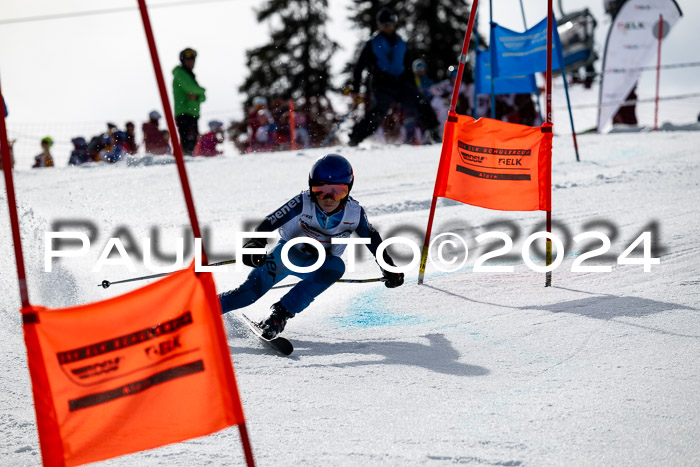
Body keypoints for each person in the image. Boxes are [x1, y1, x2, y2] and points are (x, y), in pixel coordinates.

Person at [218, 154, 404, 339]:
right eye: (320, 190)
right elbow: (269, 222)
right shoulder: (302, 202)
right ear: (310, 187)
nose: (328, 198)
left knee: (336, 267)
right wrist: (255, 243)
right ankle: (202, 308)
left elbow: (372, 238)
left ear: (349, 189)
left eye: (338, 191)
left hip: (318, 266)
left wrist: (387, 266)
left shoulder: (354, 213)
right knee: (247, 296)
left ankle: (279, 314)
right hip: (286, 256)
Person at [348, 8, 440, 146]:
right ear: (379, 24)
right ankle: (354, 139)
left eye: (390, 23)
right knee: (377, 113)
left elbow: (408, 67)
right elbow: (359, 67)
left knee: (420, 102)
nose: (387, 26)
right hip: (382, 85)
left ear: (394, 23)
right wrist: (355, 88)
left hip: (401, 83)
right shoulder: (371, 43)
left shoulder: (401, 43)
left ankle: (434, 133)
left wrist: (414, 88)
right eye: (384, 24)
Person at [172, 48, 206, 155]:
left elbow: (203, 97)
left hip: (192, 112)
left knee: (192, 141)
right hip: (184, 113)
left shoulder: (190, 76)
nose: (191, 62)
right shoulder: (180, 74)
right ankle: (184, 161)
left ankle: (187, 159)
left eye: (193, 59)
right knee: (187, 141)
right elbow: (191, 89)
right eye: (188, 59)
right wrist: (202, 91)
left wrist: (197, 96)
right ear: (182, 60)